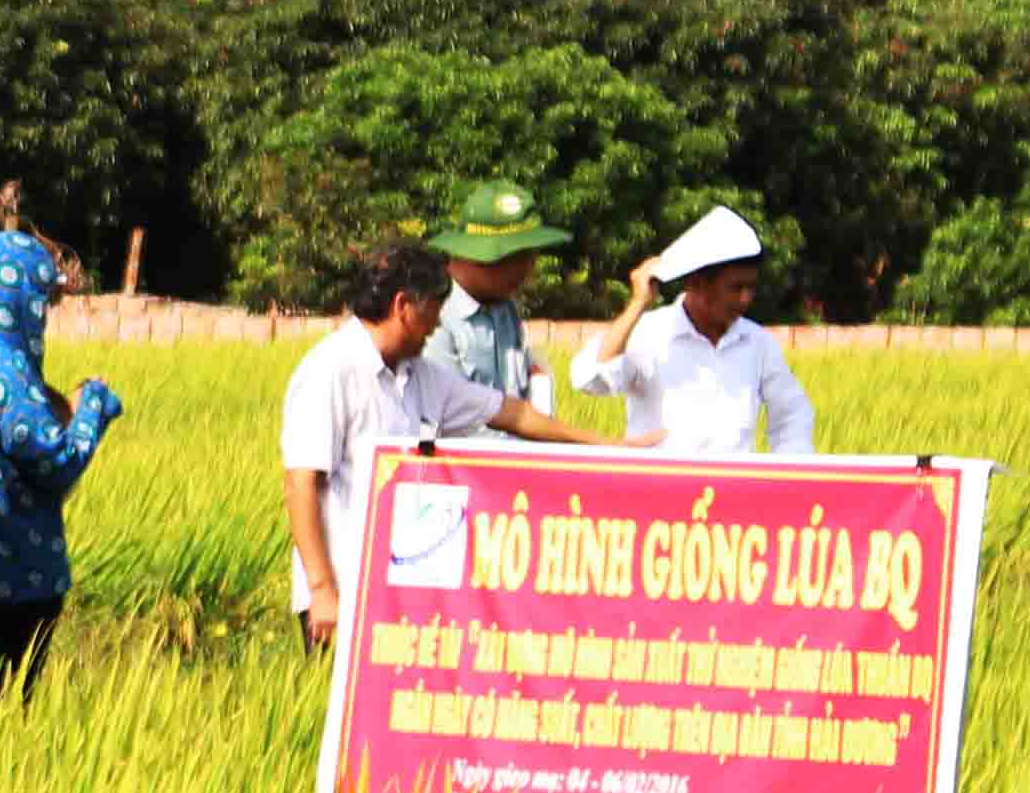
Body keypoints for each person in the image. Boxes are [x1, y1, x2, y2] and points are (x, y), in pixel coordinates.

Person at [277, 241, 584, 644]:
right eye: (434, 313)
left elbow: (512, 413)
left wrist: (605, 448)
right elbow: (300, 483)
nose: (437, 327)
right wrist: (321, 591)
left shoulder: (420, 376)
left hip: (398, 594)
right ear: (404, 305)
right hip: (342, 592)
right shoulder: (330, 370)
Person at [0, 231, 122, 690]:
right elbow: (56, 464)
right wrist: (92, 406)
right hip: (20, 574)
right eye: (44, 302)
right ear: (22, 302)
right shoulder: (12, 377)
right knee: (15, 698)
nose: (45, 315)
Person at [570, 206, 820, 454]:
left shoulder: (758, 343)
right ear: (696, 284)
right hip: (659, 487)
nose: (746, 299)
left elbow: (792, 413)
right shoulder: (649, 333)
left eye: (751, 287)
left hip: (732, 489)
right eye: (736, 288)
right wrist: (637, 304)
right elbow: (589, 379)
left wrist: (785, 479)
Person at [425, 178, 568, 412]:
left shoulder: (505, 308)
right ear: (476, 256)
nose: (528, 269)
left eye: (531, 256)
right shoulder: (433, 318)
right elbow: (449, 417)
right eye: (517, 258)